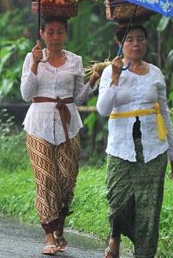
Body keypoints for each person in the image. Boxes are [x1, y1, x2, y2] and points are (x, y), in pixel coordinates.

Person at [95, 25, 173, 258]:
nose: (136, 44)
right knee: (117, 201)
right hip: (120, 148)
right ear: (120, 44)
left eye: (140, 39)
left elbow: (164, 114)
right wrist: (114, 77)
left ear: (146, 42)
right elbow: (103, 109)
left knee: (149, 211)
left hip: (153, 149)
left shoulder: (155, 73)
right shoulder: (110, 73)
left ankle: (143, 254)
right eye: (130, 39)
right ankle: (115, 234)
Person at [20, 17, 100, 256]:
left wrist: (93, 80)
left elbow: (79, 97)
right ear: (42, 33)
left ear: (65, 34)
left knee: (66, 179)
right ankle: (48, 234)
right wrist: (34, 65)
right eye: (51, 32)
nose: (55, 37)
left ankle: (59, 227)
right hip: (38, 124)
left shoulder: (75, 61)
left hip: (69, 124)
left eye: (60, 32)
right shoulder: (32, 57)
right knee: (45, 178)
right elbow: (26, 94)